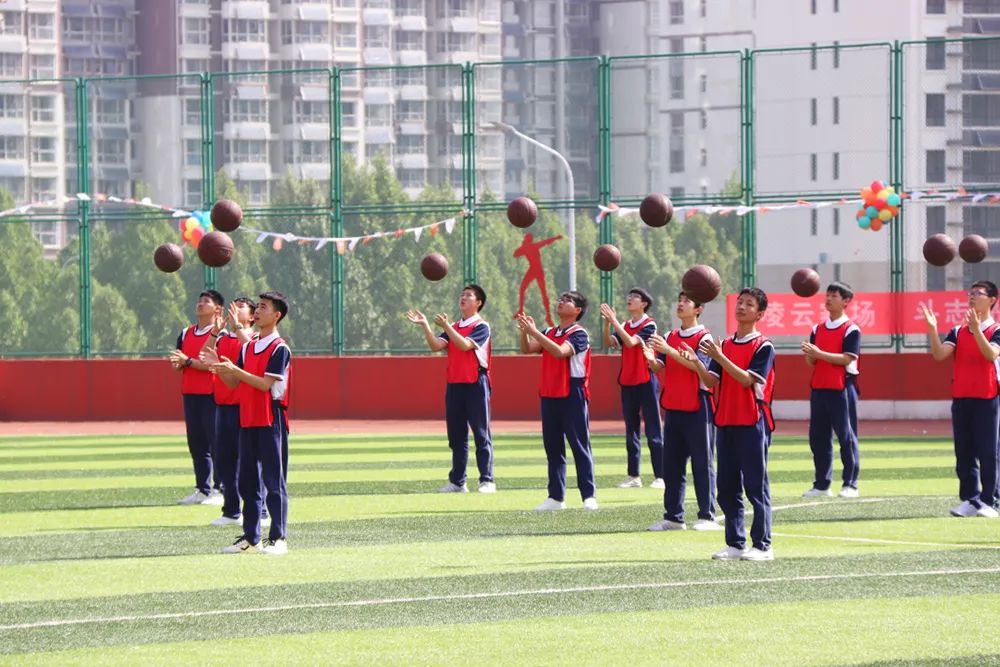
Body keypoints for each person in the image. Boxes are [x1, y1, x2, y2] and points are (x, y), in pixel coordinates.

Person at [205, 290, 292, 555]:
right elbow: (234, 382)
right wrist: (220, 367)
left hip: (270, 418)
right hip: (249, 416)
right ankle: (251, 537)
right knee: (248, 481)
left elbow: (265, 385)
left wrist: (235, 370)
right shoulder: (249, 346)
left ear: (276, 316)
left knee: (274, 482)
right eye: (259, 307)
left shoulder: (280, 349)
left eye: (264, 307)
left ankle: (278, 538)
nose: (258, 311)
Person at [699, 287, 776, 561]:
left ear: (760, 314)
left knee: (756, 485)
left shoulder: (763, 346)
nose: (741, 307)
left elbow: (747, 380)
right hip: (726, 420)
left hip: (752, 421)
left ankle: (763, 545)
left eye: (749, 304)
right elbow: (710, 381)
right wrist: (696, 362)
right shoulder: (726, 345)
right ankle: (735, 543)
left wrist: (719, 357)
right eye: (740, 302)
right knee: (727, 486)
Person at [406, 284, 495, 494]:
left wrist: (447, 327)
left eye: (468, 296)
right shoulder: (455, 325)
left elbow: (465, 345)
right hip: (455, 384)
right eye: (462, 295)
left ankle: (487, 480)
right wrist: (426, 325)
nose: (463, 298)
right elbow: (436, 346)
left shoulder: (482, 326)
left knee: (481, 434)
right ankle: (458, 482)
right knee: (456, 436)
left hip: (476, 383)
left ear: (478, 303)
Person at [643, 291, 720, 531]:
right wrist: (651, 361)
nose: (680, 304)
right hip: (674, 405)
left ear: (698, 309)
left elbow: (699, 369)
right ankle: (673, 516)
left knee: (702, 462)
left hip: (698, 405)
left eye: (686, 301)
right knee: (672, 463)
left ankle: (707, 516)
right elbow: (662, 366)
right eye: (679, 299)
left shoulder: (704, 337)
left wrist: (669, 350)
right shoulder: (670, 336)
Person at [922, 281, 1000, 519]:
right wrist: (933, 329)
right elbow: (939, 355)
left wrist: (977, 330)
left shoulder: (996, 329)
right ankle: (970, 498)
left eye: (979, 294)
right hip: (962, 397)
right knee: (963, 452)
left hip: (988, 397)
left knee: (988, 451)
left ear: (993, 300)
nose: (972, 297)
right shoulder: (957, 331)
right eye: (971, 293)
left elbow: (990, 354)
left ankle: (990, 500)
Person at [516, 291, 598, 511]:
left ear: (578, 310)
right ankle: (555, 497)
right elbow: (527, 349)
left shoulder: (579, 334)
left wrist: (535, 332)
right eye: (561, 298)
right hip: (550, 391)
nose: (561, 301)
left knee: (579, 445)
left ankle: (588, 495)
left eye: (568, 300)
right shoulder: (550, 331)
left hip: (573, 391)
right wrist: (526, 333)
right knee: (553, 447)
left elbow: (560, 352)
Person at [802, 282, 862, 499]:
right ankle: (821, 484)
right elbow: (812, 362)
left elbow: (847, 358)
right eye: (827, 295)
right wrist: (810, 353)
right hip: (819, 389)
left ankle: (850, 483)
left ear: (846, 301)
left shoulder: (851, 329)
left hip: (842, 389)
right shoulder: (817, 329)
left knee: (846, 437)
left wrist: (819, 353)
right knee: (818, 438)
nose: (828, 299)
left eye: (834, 296)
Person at [601, 288, 664, 490]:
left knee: (653, 429)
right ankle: (633, 476)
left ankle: (660, 476)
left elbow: (629, 342)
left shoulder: (649, 324)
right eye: (629, 296)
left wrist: (614, 321)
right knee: (631, 431)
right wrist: (607, 323)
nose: (629, 299)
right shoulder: (626, 325)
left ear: (644, 303)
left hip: (646, 380)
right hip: (627, 381)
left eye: (635, 297)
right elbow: (609, 342)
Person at [168, 290, 225, 506]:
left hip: (211, 394)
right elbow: (178, 363)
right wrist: (179, 362)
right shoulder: (185, 333)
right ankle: (202, 488)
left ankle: (221, 489)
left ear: (217, 309)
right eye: (199, 300)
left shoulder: (220, 334)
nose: (200, 304)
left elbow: (214, 364)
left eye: (206, 301)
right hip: (190, 394)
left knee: (216, 443)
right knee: (197, 444)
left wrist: (188, 361)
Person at [208, 297, 262, 526]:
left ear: (251, 316)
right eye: (233, 305)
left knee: (249, 462)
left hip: (244, 407)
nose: (234, 308)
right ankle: (231, 511)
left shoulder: (255, 338)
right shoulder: (221, 337)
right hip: (223, 406)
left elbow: (252, 350)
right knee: (224, 462)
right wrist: (215, 332)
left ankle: (261, 512)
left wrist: (238, 329)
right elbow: (205, 356)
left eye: (240, 307)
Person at [513, 233, 563, 328]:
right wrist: (522, 247)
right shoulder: (526, 248)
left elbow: (546, 242)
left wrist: (555, 238)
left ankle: (548, 316)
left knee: (543, 293)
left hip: (538, 270)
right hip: (532, 269)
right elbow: (515, 254)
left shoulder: (532, 246)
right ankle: (521, 309)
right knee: (522, 288)